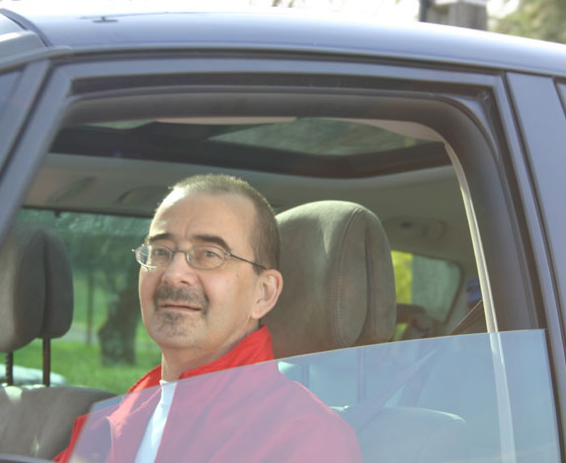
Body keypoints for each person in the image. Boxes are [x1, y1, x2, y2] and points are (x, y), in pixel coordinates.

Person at [55, 174, 362, 463]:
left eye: (209, 254)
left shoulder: (306, 438)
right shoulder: (113, 421)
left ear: (264, 293)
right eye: (160, 251)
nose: (174, 274)